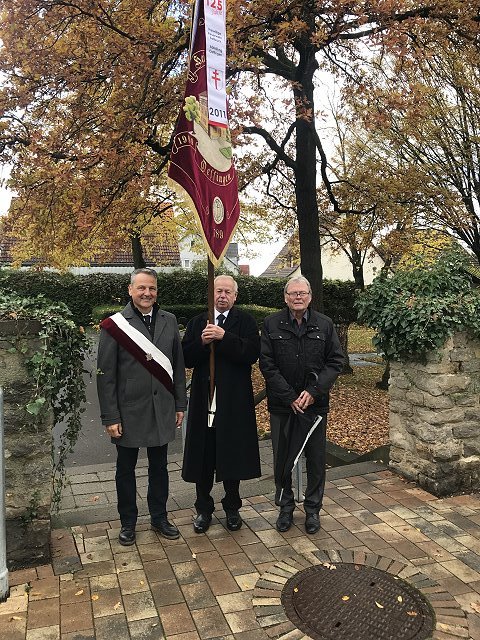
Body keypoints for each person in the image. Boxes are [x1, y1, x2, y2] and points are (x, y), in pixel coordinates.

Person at [97, 268, 187, 546]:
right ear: (130, 290)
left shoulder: (169, 321)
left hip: (161, 407)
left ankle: (159, 517)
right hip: (128, 411)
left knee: (159, 467)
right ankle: (128, 522)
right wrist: (110, 416)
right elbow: (105, 375)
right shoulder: (115, 325)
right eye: (141, 288)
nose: (147, 293)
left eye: (152, 289)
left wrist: (180, 403)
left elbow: (178, 366)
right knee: (126, 468)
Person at [260, 275, 343, 534]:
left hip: (314, 406)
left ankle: (312, 510)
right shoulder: (271, 323)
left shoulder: (325, 325)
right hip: (283, 406)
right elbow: (267, 365)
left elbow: (336, 361)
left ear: (310, 297)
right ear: (285, 297)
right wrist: (289, 396)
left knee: (316, 460)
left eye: (303, 293)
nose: (298, 297)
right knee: (283, 458)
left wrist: (314, 391)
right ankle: (285, 507)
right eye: (293, 293)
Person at [182, 275, 261, 533]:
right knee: (204, 456)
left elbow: (251, 354)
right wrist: (203, 342)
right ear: (211, 294)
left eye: (228, 291)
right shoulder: (197, 323)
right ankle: (203, 509)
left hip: (233, 400)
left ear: (235, 296)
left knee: (231, 454)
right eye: (218, 291)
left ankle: (232, 508)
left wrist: (224, 337)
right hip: (204, 400)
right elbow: (186, 358)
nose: (222, 296)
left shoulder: (246, 322)